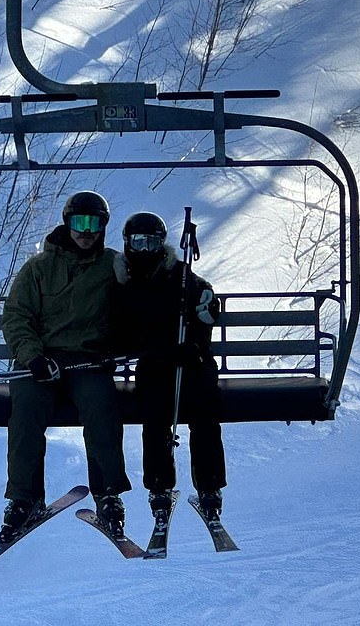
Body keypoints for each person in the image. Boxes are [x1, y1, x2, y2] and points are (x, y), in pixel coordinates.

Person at [0, 191, 131, 541]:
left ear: (104, 226)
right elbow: (16, 316)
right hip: (43, 362)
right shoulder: (40, 267)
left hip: (88, 363)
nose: (85, 232)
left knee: (101, 406)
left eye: (94, 223)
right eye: (78, 223)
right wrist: (32, 357)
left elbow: (148, 292)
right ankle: (24, 497)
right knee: (26, 410)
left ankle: (107, 492)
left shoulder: (113, 266)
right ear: (66, 223)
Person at [113, 211, 226, 523]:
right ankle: (160, 487)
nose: (145, 249)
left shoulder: (181, 275)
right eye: (139, 242)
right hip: (155, 363)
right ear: (128, 243)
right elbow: (121, 327)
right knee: (155, 418)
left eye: (152, 242)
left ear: (162, 244)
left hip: (190, 359)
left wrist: (201, 321)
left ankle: (209, 485)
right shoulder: (124, 280)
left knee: (205, 414)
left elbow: (204, 308)